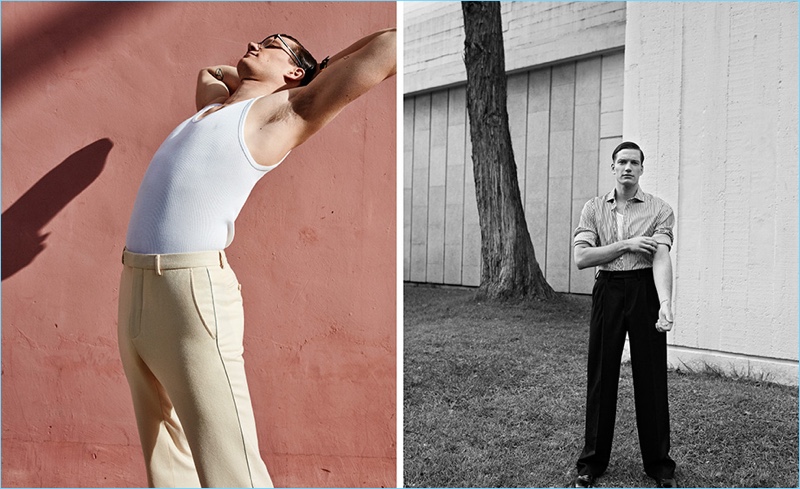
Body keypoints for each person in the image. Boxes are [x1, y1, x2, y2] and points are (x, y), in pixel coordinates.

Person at [117, 28, 396, 488]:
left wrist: (313, 75)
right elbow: (209, 72)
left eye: (272, 45)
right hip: (135, 289)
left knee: (232, 469)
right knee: (166, 463)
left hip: (192, 293)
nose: (254, 44)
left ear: (294, 71)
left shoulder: (282, 114)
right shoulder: (212, 109)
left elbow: (388, 45)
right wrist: (251, 79)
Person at [571, 141, 677, 488]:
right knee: (601, 375)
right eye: (621, 162)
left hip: (645, 290)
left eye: (634, 162)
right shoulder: (593, 209)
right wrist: (628, 244)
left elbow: (661, 256)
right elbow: (582, 258)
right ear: (613, 167)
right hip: (609, 290)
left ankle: (660, 467)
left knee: (651, 378)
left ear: (642, 169)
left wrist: (665, 302)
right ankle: (591, 464)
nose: (627, 167)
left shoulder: (660, 209)